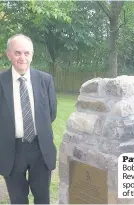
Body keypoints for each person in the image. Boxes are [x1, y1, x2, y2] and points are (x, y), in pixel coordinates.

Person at [0, 34, 57, 204]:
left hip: (40, 148)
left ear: (32, 54)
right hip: (11, 150)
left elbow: (51, 113)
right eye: (17, 53)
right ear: (8, 54)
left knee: (42, 197)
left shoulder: (45, 80)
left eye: (27, 53)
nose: (22, 58)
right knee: (17, 199)